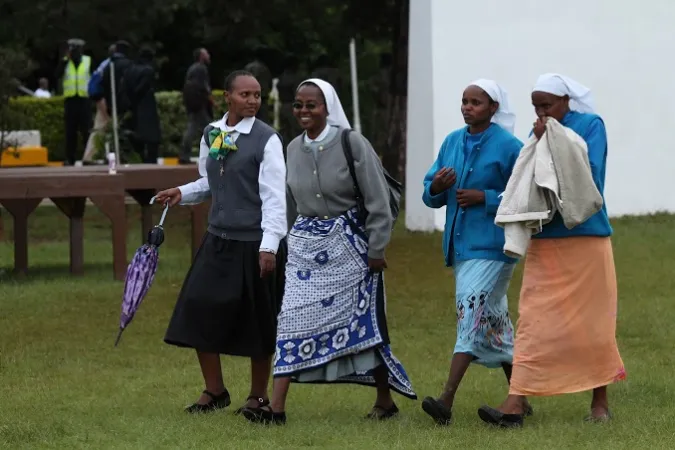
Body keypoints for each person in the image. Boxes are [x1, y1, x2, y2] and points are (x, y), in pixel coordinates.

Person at [242, 78, 416, 426]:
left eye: (312, 105)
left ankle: (385, 400)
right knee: (290, 319)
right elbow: (289, 204)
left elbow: (378, 200)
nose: (304, 111)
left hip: (351, 248)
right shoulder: (292, 148)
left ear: (327, 107)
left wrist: (377, 248)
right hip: (306, 249)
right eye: (299, 105)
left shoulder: (352, 143)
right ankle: (276, 408)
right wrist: (280, 245)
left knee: (366, 324)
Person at [477, 74, 626, 428]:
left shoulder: (590, 126)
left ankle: (599, 403)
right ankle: (515, 403)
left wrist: (554, 140)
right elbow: (528, 177)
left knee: (594, 323)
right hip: (545, 239)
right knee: (533, 320)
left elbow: (590, 178)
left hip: (587, 239)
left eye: (547, 105)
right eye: (536, 106)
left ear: (566, 100)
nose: (542, 112)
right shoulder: (538, 132)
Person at [154, 70, 287, 415]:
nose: (253, 101)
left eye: (257, 95)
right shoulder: (212, 132)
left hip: (255, 243)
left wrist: (269, 246)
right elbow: (208, 181)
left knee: (258, 321)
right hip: (218, 240)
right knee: (198, 307)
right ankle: (215, 391)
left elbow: (274, 199)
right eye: (245, 94)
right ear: (227, 96)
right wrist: (180, 193)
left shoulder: (266, 139)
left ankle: (257, 397)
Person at [419, 80, 528, 425]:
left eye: (476, 102)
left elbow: (526, 195)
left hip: (495, 248)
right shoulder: (453, 141)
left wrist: (487, 198)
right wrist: (437, 186)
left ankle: (446, 400)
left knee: (470, 314)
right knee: (494, 322)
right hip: (462, 246)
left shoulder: (511, 147)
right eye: (464, 101)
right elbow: (429, 189)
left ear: (493, 107)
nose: (467, 107)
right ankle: (519, 399)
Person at [55, 38, 92, 165]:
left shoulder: (88, 61)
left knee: (86, 130)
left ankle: (88, 157)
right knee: (70, 131)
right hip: (70, 100)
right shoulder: (65, 62)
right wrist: (65, 60)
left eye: (76, 49)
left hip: (84, 100)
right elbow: (57, 75)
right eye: (72, 49)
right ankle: (69, 158)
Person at [125, 46, 161, 163]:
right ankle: (151, 159)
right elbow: (142, 87)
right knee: (152, 136)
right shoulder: (148, 71)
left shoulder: (130, 70)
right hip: (146, 106)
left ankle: (141, 156)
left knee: (137, 134)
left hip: (133, 107)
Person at [83, 44, 116, 163]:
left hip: (99, 97)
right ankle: (92, 157)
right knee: (107, 126)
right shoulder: (111, 65)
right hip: (104, 99)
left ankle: (89, 156)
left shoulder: (103, 64)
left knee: (100, 128)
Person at [180, 48, 213, 164]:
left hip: (192, 101)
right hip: (198, 102)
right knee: (209, 128)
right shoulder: (201, 68)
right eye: (206, 54)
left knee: (195, 127)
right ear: (201, 56)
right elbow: (204, 86)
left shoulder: (192, 68)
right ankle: (220, 154)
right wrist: (211, 99)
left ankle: (185, 155)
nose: (209, 56)